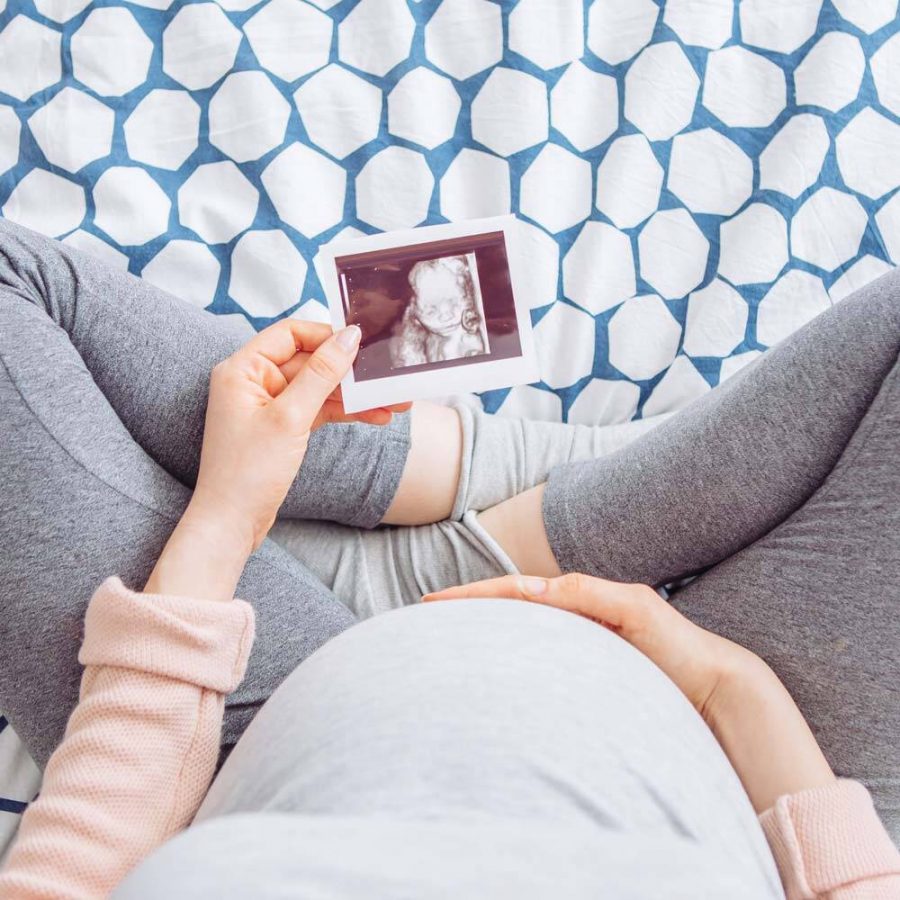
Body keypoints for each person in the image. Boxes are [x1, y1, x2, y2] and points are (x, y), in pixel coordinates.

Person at [0, 216, 897, 897]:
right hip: (735, 739)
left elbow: (81, 871)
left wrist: (228, 518)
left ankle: (473, 506)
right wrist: (723, 686)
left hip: (231, 735)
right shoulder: (718, 695)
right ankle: (522, 494)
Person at [390, 254, 487, 366]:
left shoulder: (471, 332)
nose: (447, 317)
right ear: (415, 316)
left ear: (468, 295)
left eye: (454, 303)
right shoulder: (417, 338)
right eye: (431, 311)